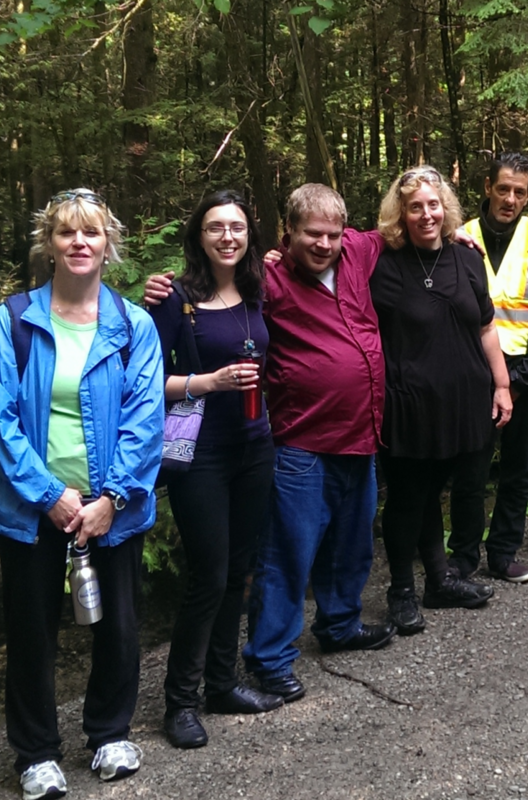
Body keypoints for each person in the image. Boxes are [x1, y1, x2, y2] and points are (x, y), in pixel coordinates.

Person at [146, 184, 395, 704]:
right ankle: (266, 659)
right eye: (312, 234)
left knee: (351, 545)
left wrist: (458, 230)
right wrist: (161, 296)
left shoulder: (352, 254)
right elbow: (147, 363)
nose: (324, 243)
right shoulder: (267, 280)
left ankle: (340, 624)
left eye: (333, 234)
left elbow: (400, 228)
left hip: (355, 435)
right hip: (294, 439)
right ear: (288, 234)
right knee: (285, 556)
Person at [0, 190, 164, 799]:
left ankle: (110, 733)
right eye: (67, 234)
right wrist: (50, 495)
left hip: (112, 507)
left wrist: (109, 498)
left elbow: (145, 421)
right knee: (32, 629)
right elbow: (0, 421)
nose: (79, 243)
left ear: (108, 245)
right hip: (34, 508)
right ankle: (35, 754)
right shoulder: (12, 322)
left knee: (117, 626)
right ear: (49, 245)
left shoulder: (134, 326)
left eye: (92, 233)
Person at [147, 191, 283, 750]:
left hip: (255, 446)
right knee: (208, 575)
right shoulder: (175, 298)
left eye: (237, 227)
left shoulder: (257, 289)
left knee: (241, 570)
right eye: (215, 228)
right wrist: (206, 383)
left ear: (249, 234)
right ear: (199, 237)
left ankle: (222, 684)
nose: (227, 236)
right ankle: (179, 702)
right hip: (198, 453)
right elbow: (144, 383)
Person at [372, 166, 511, 635]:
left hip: (466, 399)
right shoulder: (382, 264)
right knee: (409, 498)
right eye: (415, 207)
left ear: (445, 208)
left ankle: (438, 580)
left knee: (437, 492)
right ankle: (400, 592)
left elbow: (487, 327)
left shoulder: (468, 258)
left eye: (433, 205)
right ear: (402, 214)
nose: (426, 214)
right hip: (408, 404)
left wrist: (503, 384)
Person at [448, 152, 528, 583]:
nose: (510, 199)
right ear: (487, 188)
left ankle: (502, 553)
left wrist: (518, 383)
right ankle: (462, 555)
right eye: (503, 189)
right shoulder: (459, 238)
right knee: (470, 469)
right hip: (472, 373)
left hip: (526, 376)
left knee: (518, 468)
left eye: (519, 191)